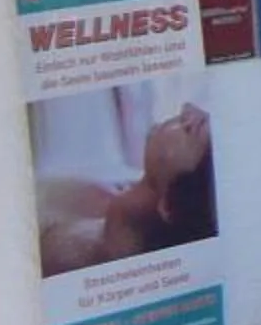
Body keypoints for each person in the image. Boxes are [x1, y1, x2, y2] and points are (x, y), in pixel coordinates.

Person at [37, 100, 216, 276]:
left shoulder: (99, 272)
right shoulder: (105, 187)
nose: (186, 108)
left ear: (171, 206)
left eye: (191, 129)